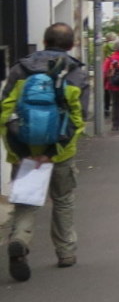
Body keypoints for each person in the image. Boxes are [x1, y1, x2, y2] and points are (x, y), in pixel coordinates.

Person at [2, 22, 90, 281]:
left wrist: (21, 150)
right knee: (62, 200)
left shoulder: (20, 69)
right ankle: (66, 252)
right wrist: (51, 152)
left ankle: (19, 240)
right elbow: (78, 118)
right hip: (60, 151)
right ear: (71, 45)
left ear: (44, 41)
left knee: (26, 201)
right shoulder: (75, 73)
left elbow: (5, 112)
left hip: (24, 149)